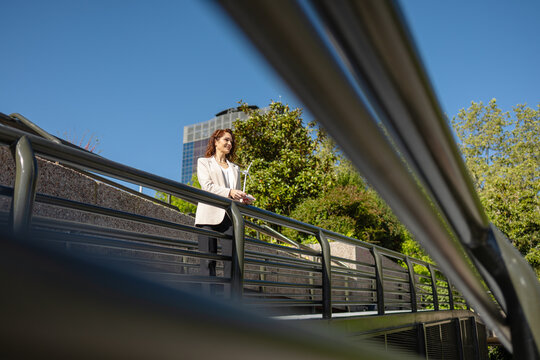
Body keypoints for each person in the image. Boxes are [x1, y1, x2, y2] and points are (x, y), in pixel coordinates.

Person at [194, 129, 254, 292]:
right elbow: (207, 187)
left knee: (232, 263)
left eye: (231, 141)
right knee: (207, 262)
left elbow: (235, 193)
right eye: (226, 140)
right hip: (207, 216)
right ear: (216, 141)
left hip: (229, 218)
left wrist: (243, 199)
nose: (230, 143)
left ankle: (231, 305)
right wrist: (229, 192)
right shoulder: (204, 162)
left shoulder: (235, 168)